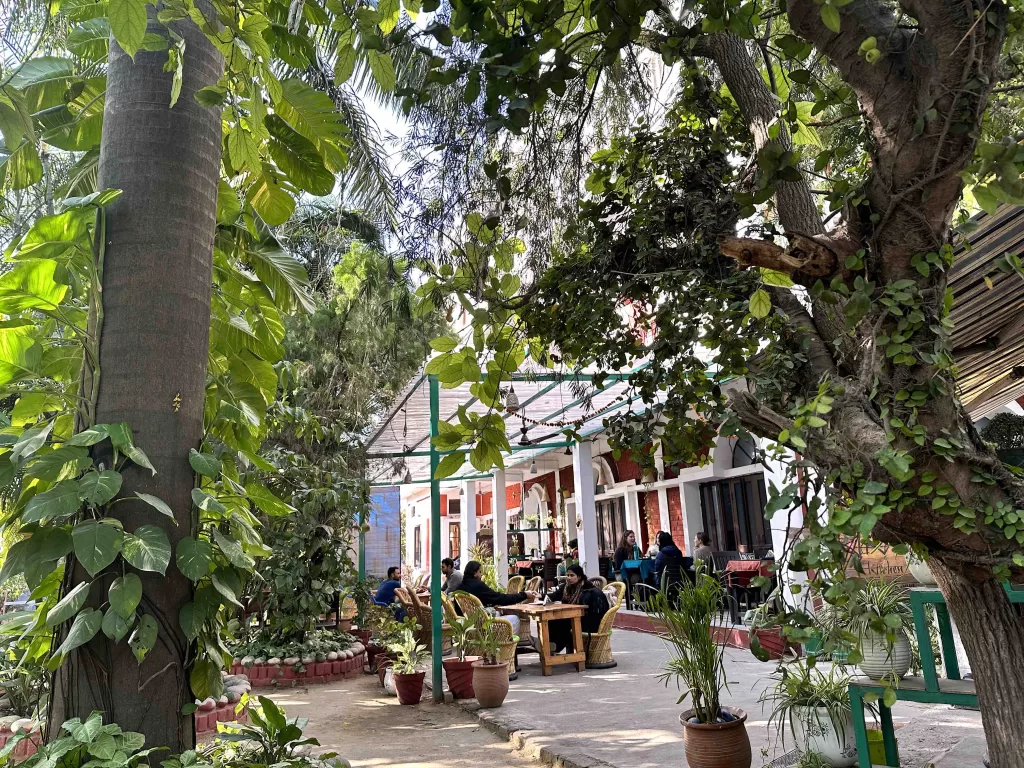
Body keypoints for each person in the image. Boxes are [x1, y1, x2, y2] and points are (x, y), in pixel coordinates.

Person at [459, 560, 538, 635]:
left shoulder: (460, 587)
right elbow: (501, 598)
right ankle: (507, 647)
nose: (481, 575)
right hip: (481, 625)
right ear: (474, 573)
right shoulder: (478, 586)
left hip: (466, 626)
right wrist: (524, 594)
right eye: (480, 572)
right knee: (515, 619)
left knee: (497, 613)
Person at [545, 564, 608, 654]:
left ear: (579, 577)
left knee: (560, 623)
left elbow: (593, 611)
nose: (569, 578)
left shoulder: (588, 589)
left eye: (572, 575)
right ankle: (550, 646)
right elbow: (555, 595)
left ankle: (555, 647)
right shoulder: (567, 587)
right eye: (568, 575)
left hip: (586, 621)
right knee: (551, 620)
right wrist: (540, 596)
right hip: (573, 617)